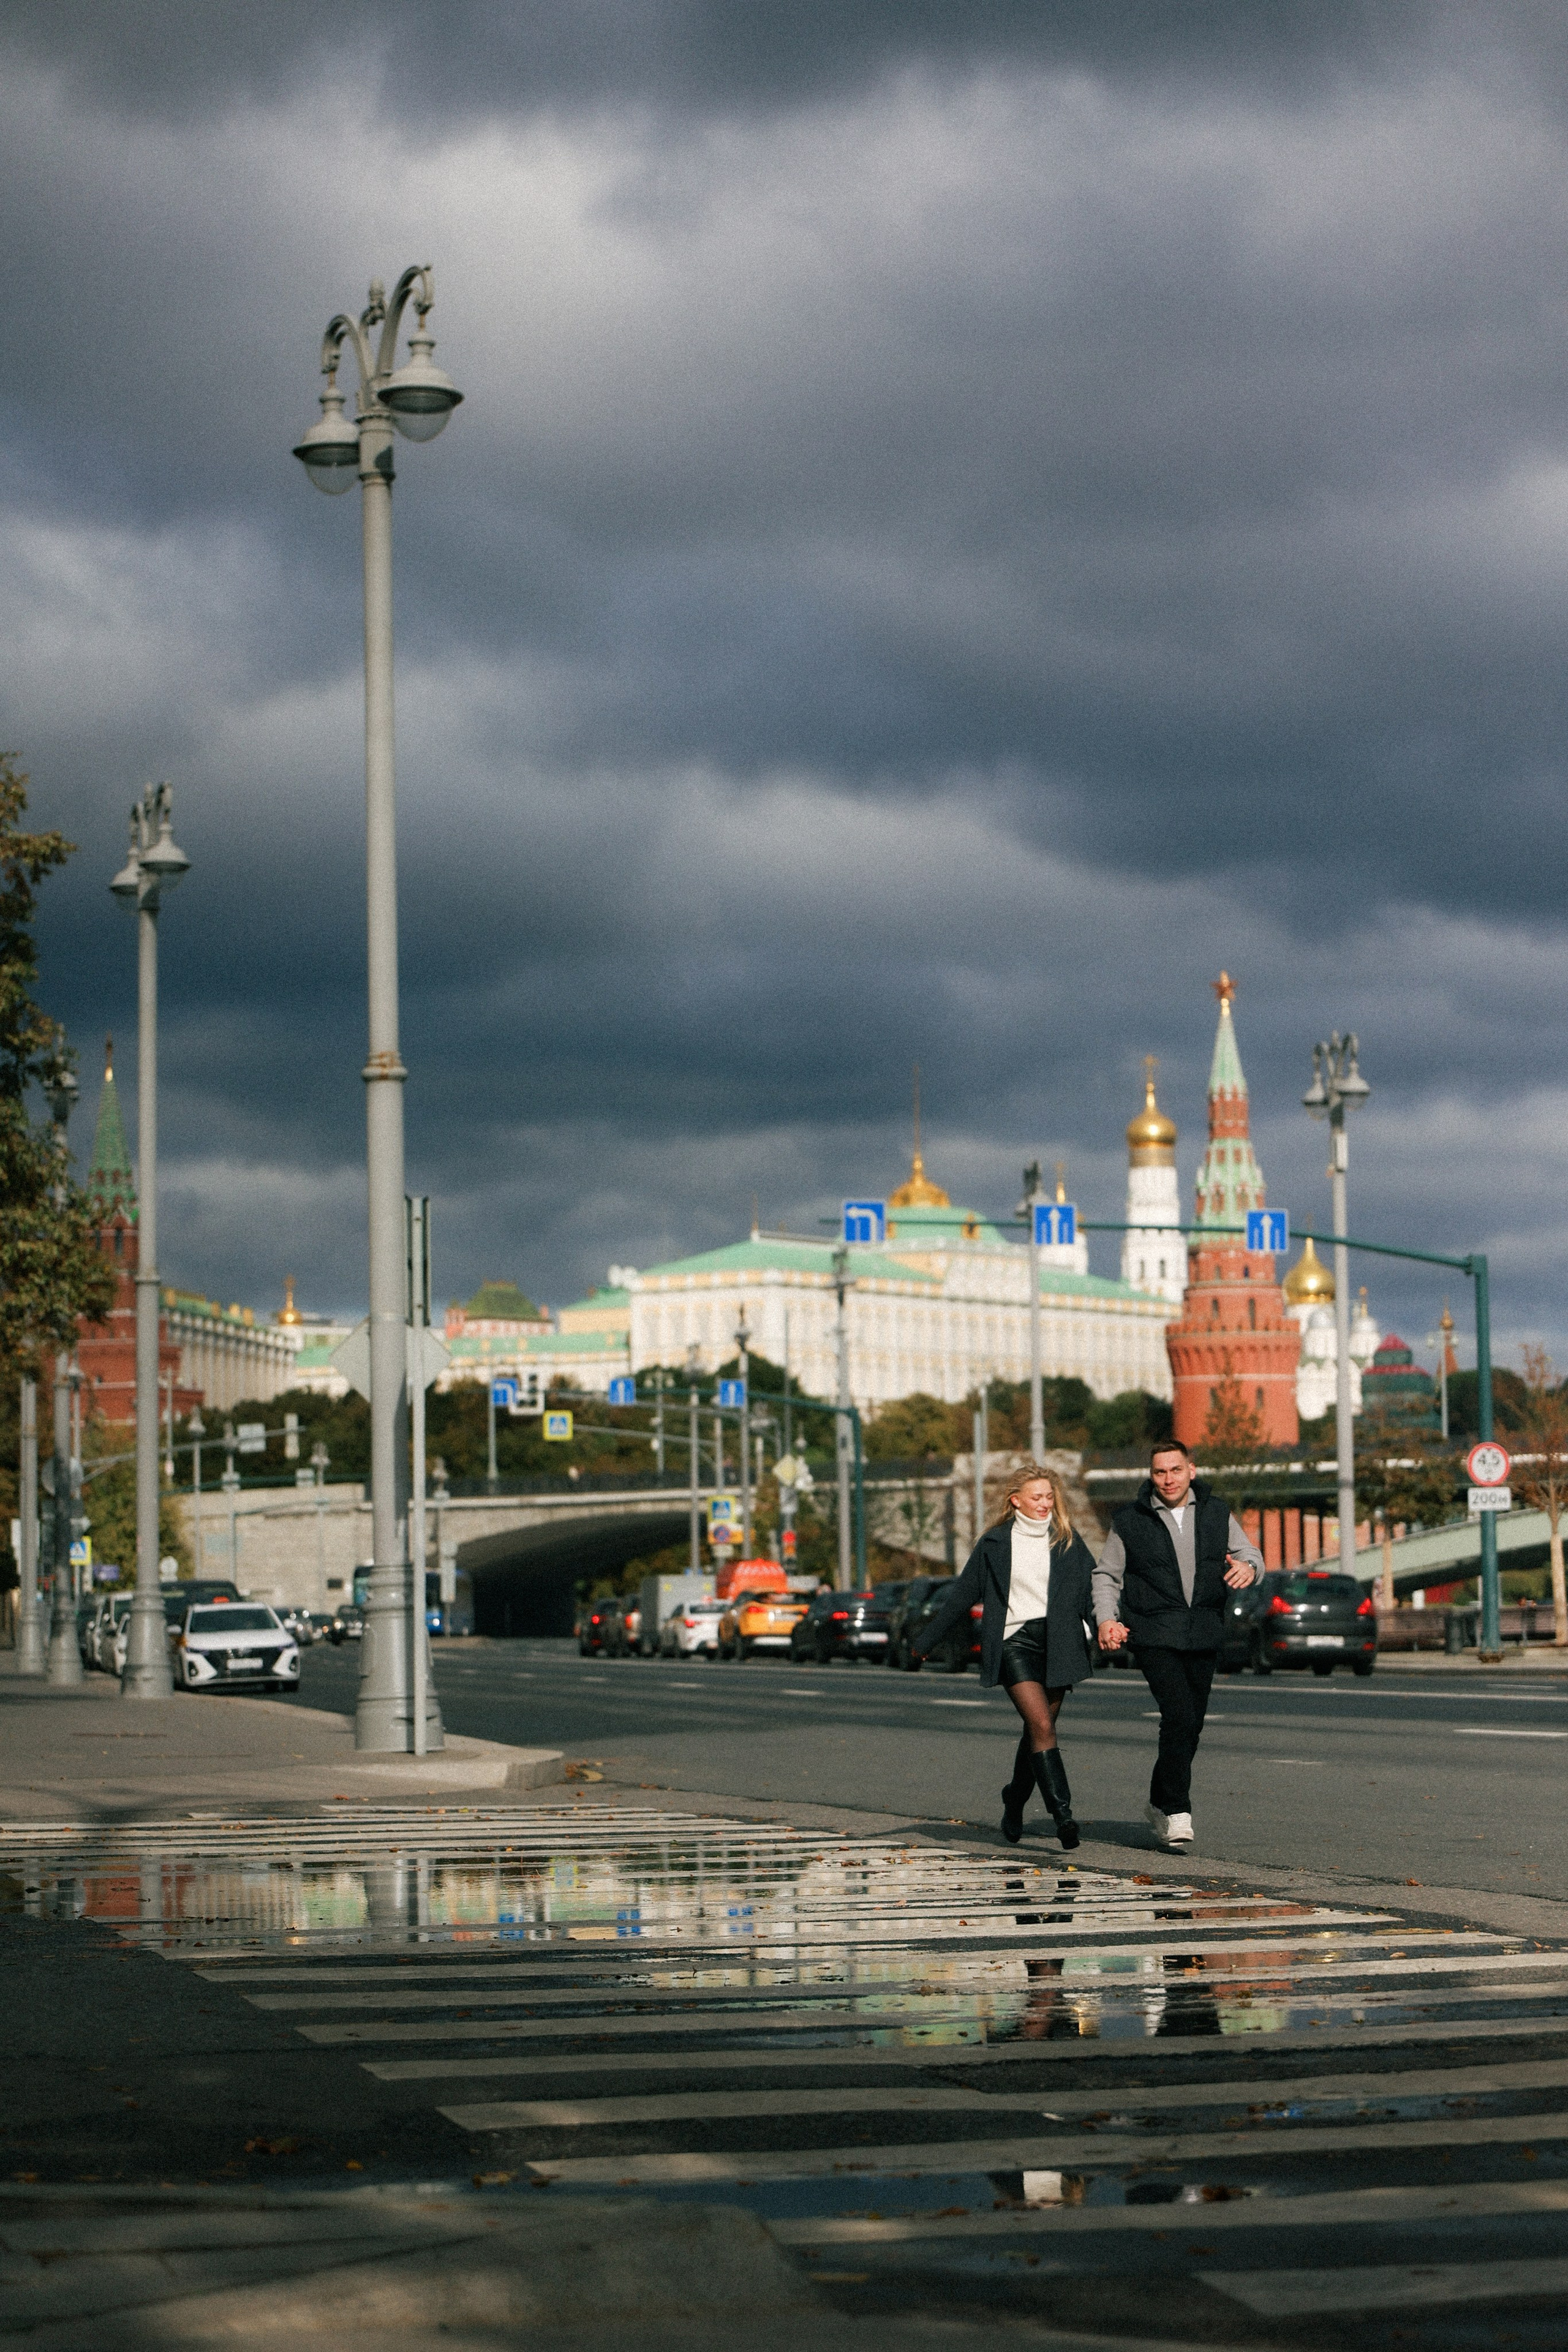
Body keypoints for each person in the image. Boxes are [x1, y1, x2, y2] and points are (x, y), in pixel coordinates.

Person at [911, 1463, 1098, 1848]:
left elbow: (1093, 1590)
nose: (1045, 1504)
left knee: (1037, 1730)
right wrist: (926, 1641)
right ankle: (1063, 1816)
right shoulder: (995, 1543)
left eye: (1049, 1497)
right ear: (1016, 1501)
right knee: (1043, 1726)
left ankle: (1014, 1799)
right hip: (1015, 1641)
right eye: (1037, 1497)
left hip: (1059, 1641)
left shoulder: (1066, 1540)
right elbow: (962, 1595)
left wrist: (1108, 1624)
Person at [1094, 1437, 1264, 1851]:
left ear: (1192, 1470)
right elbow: (1106, 1576)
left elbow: (1251, 1555)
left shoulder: (1216, 1512)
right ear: (1151, 1476)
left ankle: (1158, 1800)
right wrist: (1106, 1620)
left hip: (1203, 1631)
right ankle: (1177, 1810)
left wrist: (1250, 1568)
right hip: (1154, 1632)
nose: (1167, 1479)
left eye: (1175, 1470)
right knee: (1179, 1716)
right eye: (1159, 1472)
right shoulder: (1129, 1520)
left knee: (1192, 1726)